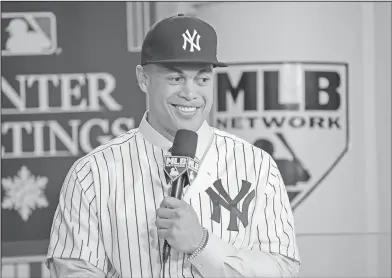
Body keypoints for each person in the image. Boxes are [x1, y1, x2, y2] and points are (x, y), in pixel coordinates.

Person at [46, 14, 301, 278]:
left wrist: (202, 245)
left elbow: (283, 271)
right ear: (143, 79)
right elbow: (75, 272)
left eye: (202, 79)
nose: (190, 94)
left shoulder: (256, 164)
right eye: (175, 79)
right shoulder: (93, 172)